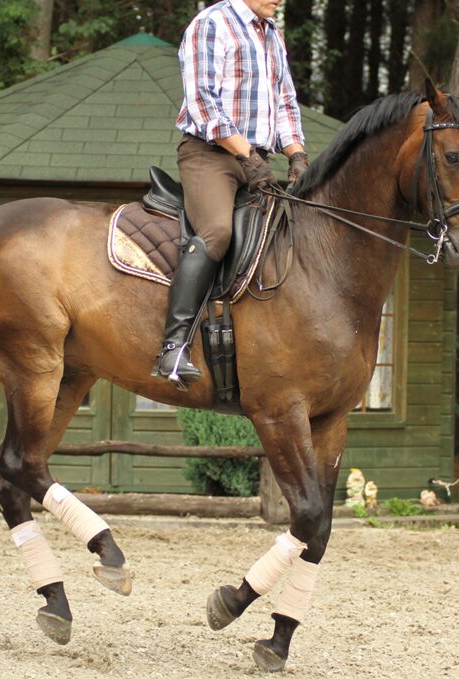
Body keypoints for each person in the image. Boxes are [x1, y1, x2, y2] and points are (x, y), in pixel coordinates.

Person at [152, 0, 309, 388]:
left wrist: (298, 155)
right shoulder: (210, 24)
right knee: (217, 232)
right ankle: (174, 346)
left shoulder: (272, 34)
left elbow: (285, 103)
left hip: (259, 158)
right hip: (210, 155)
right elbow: (203, 103)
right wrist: (246, 155)